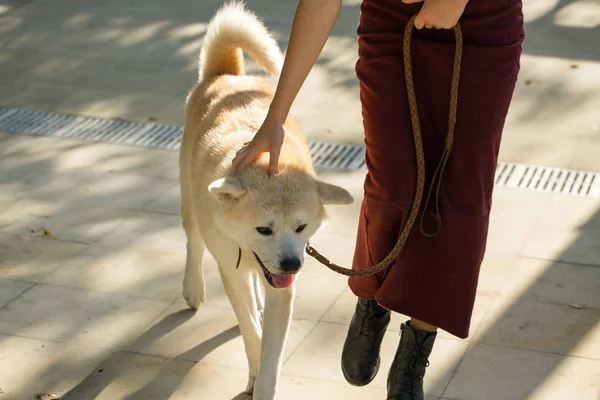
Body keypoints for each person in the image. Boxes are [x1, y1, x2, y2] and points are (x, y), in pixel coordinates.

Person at [232, 0, 525, 398]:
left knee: (459, 202)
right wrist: (275, 117)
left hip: (483, 25)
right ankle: (373, 296)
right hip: (391, 24)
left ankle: (415, 351)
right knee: (394, 186)